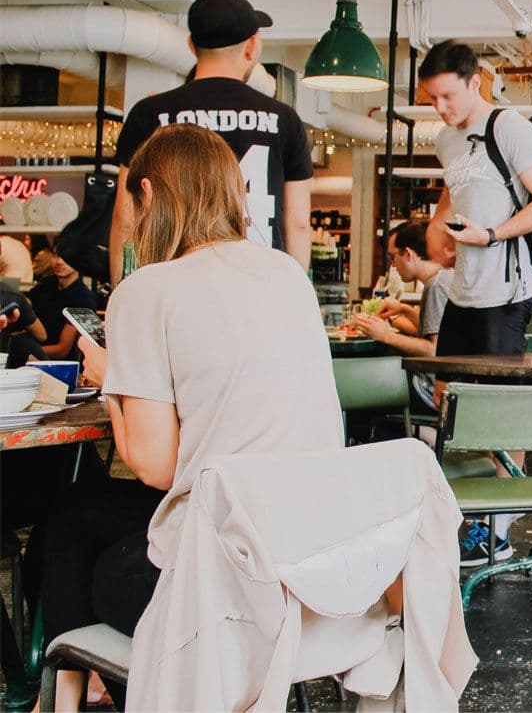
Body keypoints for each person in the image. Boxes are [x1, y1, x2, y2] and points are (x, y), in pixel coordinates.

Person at [39, 124, 342, 711]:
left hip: (226, 584)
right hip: (310, 557)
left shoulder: (146, 290)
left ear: (148, 194)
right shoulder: (286, 274)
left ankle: (71, 691)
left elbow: (154, 466)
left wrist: (111, 382)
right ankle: (79, 688)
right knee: (78, 510)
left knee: (78, 531)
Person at [419, 40, 532, 564]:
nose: (441, 109)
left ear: (475, 81)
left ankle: (498, 532)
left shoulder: (509, 128)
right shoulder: (445, 140)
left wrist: (492, 235)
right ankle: (459, 515)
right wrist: (442, 230)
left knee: (499, 415)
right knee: (449, 404)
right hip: (462, 290)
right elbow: (456, 188)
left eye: (448, 96)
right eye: (432, 99)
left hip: (506, 291)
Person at [109, 0, 313, 282]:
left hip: (176, 282)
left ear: (191, 45)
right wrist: (295, 295)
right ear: (252, 46)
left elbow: (125, 218)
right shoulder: (284, 120)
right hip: (260, 282)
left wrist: (122, 293)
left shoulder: (150, 114)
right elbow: (298, 223)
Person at [351, 220, 454, 420]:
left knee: (360, 385)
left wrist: (386, 335)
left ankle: (423, 434)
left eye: (393, 257)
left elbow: (435, 351)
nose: (393, 265)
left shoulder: (437, 286)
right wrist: (404, 309)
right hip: (444, 387)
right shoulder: (444, 277)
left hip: (430, 390)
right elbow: (441, 329)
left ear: (408, 253)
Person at [27, 240, 97, 360]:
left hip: (59, 365)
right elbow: (25, 307)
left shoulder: (84, 299)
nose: (59, 261)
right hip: (33, 354)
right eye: (56, 255)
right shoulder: (45, 286)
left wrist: (25, 352)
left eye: (66, 257)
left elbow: (62, 350)